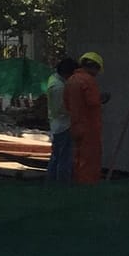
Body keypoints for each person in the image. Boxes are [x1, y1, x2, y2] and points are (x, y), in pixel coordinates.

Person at [64, 50, 108, 186]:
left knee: (78, 158)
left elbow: (66, 103)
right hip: (89, 127)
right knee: (90, 160)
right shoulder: (88, 81)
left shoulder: (71, 80)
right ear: (94, 67)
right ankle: (87, 189)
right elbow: (93, 102)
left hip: (75, 125)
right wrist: (103, 99)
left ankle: (77, 185)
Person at [45, 57, 77, 185]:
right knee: (64, 157)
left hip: (57, 124)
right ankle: (62, 184)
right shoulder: (59, 88)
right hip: (63, 125)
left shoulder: (54, 80)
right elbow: (62, 108)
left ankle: (52, 182)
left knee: (57, 156)